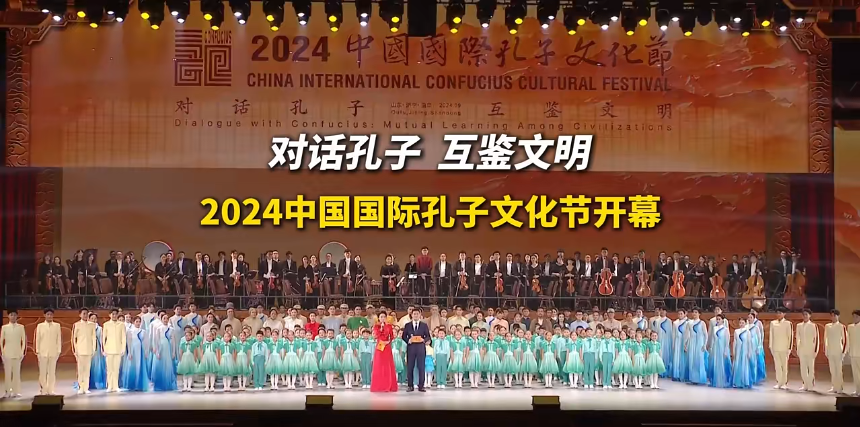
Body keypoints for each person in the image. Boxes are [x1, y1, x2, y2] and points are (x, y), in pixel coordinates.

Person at [402, 307, 432, 392]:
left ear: (420, 315)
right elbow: (404, 336)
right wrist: (408, 340)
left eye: (417, 314)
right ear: (411, 315)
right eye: (414, 314)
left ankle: (421, 386)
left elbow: (428, 336)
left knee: (421, 367)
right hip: (411, 348)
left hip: (420, 348)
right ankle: (410, 386)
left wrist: (424, 340)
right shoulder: (407, 325)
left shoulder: (424, 325)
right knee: (410, 367)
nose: (416, 315)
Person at [35, 308, 62, 395]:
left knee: (52, 373)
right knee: (42, 373)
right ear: (44, 315)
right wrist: (37, 351)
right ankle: (43, 390)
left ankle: (51, 390)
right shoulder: (40, 326)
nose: (49, 316)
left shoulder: (57, 325)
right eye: (48, 314)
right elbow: (38, 339)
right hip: (42, 352)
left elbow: (58, 339)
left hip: (53, 352)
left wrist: (58, 351)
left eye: (51, 314)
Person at [1, 310, 26, 398]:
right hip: (7, 353)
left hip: (17, 353)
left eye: (14, 315)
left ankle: (16, 391)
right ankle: (7, 391)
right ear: (8, 316)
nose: (13, 317)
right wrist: (2, 352)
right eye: (11, 315)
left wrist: (22, 352)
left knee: (16, 374)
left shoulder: (21, 327)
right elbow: (1, 341)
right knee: (7, 374)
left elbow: (23, 340)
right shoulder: (4, 327)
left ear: (17, 316)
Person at [370, 311, 398, 392]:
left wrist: (388, 341)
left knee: (387, 365)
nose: (382, 318)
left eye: (384, 317)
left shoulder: (389, 326)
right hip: (379, 347)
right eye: (381, 317)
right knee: (379, 365)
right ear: (378, 318)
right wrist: (381, 328)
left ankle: (388, 385)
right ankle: (379, 385)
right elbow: (376, 335)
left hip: (387, 347)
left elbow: (391, 336)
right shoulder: (376, 326)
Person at [72, 308, 96, 394]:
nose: (85, 315)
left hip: (89, 350)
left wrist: (93, 349)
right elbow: (74, 338)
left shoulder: (92, 325)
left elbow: (93, 337)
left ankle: (86, 387)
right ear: (80, 315)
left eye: (86, 313)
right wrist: (75, 350)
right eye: (84, 313)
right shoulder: (76, 325)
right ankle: (80, 387)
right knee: (80, 370)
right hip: (80, 350)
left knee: (87, 370)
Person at [103, 308, 127, 392]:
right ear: (109, 315)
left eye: (115, 314)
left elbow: (123, 337)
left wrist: (123, 348)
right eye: (112, 314)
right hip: (109, 349)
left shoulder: (121, 324)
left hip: (118, 349)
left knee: (116, 369)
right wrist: (104, 349)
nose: (114, 315)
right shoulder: (106, 324)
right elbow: (104, 338)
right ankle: (110, 386)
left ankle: (116, 386)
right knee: (109, 369)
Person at [795, 308, 819, 391]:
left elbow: (816, 339)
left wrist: (815, 351)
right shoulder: (799, 325)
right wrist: (798, 348)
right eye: (804, 314)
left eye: (806, 314)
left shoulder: (813, 326)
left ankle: (810, 384)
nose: (805, 316)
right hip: (802, 350)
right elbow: (797, 338)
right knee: (803, 368)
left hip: (810, 350)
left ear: (810, 315)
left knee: (811, 368)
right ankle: (805, 384)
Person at [769, 307, 793, 390]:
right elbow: (771, 335)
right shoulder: (773, 323)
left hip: (784, 348)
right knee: (777, 366)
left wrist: (789, 348)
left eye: (780, 313)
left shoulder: (788, 323)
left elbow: (790, 336)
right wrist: (771, 346)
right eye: (777, 313)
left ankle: (784, 383)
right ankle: (778, 382)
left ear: (784, 314)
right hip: (775, 347)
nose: (778, 314)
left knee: (784, 366)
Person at [824, 309, 847, 393]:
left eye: (835, 315)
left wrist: (843, 352)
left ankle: (839, 387)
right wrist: (826, 350)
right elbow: (825, 339)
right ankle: (834, 386)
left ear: (838, 316)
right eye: (832, 316)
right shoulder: (827, 326)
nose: (833, 317)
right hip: (830, 351)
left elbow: (845, 340)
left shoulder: (841, 326)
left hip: (838, 351)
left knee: (839, 370)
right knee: (832, 370)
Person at [849, 310, 860, 397]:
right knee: (855, 374)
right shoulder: (850, 327)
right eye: (853, 316)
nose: (855, 318)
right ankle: (857, 390)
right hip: (853, 353)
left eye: (857, 316)